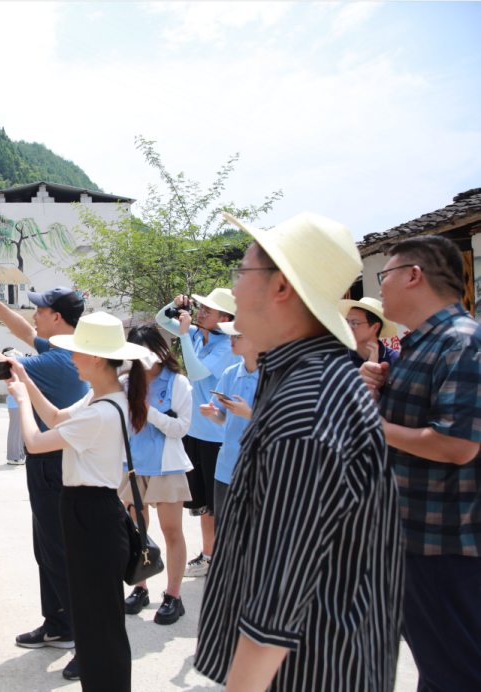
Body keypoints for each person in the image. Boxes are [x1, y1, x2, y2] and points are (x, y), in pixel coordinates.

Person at [194, 212, 403, 692]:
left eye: (241, 273)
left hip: (310, 671)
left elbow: (277, 599)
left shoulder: (306, 405)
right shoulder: (304, 381)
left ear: (281, 287)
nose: (233, 290)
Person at [359, 235, 481, 692]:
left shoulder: (461, 342)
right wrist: (378, 387)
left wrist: (369, 421)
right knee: (440, 668)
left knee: (457, 674)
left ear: (414, 276)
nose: (380, 287)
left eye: (384, 275)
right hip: (412, 538)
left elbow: (455, 445)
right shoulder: (420, 344)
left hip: (442, 545)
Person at [6, 311, 151, 692]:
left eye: (78, 352)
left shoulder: (102, 412)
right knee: (93, 620)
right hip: (89, 511)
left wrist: (21, 401)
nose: (71, 358)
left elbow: (36, 443)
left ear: (99, 359)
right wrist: (24, 380)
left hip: (92, 513)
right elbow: (54, 418)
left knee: (99, 624)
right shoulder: (101, 397)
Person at [0, 286, 88, 681]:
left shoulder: (61, 362)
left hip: (54, 462)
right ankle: (58, 624)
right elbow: (25, 336)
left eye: (39, 310)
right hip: (45, 461)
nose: (33, 316)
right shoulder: (63, 348)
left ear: (57, 317)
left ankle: (85, 639)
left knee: (60, 553)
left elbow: (0, 367)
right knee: (46, 549)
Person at [156, 288, 238, 577]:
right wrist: (175, 307)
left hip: (216, 435)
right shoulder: (196, 335)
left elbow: (195, 371)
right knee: (202, 503)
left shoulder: (227, 346)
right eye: (200, 308)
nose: (201, 313)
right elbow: (159, 318)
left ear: (225, 318)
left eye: (207, 311)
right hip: (195, 431)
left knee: (218, 506)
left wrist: (184, 335)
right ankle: (208, 555)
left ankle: (222, 559)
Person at [121, 324, 194, 625]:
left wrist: (147, 410)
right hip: (132, 468)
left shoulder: (177, 383)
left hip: (167, 468)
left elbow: (181, 428)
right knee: (137, 534)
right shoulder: (124, 382)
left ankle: (174, 596)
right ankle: (141, 588)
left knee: (172, 532)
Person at [198, 322, 258, 519]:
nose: (231, 339)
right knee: (225, 533)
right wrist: (210, 412)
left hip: (260, 469)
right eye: (231, 335)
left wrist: (250, 413)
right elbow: (222, 417)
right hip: (227, 466)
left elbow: (283, 424)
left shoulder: (275, 376)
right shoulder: (230, 373)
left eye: (237, 335)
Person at [340, 296, 399, 369]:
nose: (349, 327)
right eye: (347, 322)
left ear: (375, 327)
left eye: (354, 323)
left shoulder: (395, 360)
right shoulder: (340, 359)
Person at [3, 347, 26, 465]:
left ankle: (19, 454)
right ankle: (14, 457)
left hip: (17, 402)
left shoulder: (11, 369)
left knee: (19, 431)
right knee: (15, 431)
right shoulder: (9, 370)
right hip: (15, 403)